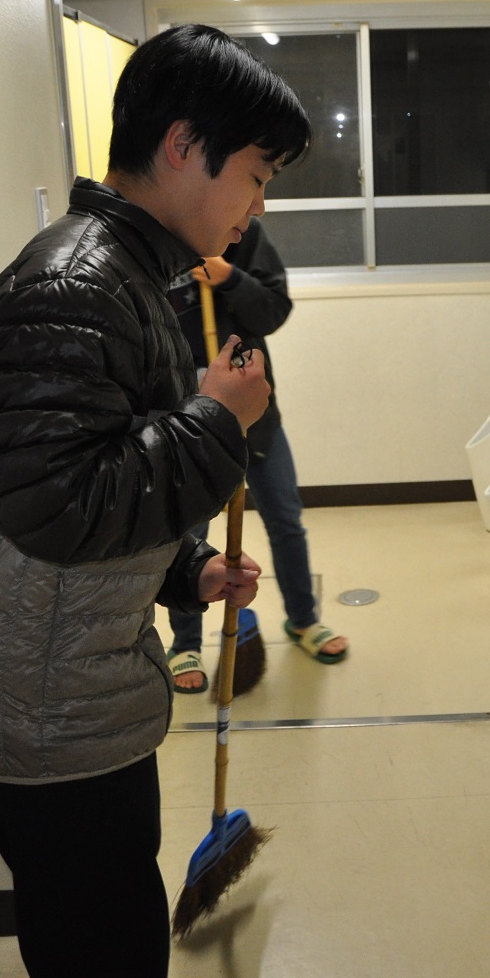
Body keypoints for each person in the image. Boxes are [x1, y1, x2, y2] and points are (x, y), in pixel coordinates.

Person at [0, 25, 310, 978]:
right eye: (256, 175)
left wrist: (185, 571)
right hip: (44, 709)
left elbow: (91, 477)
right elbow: (60, 504)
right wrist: (219, 418)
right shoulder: (75, 287)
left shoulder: (130, 277)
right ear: (183, 146)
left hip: (67, 687)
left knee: (105, 959)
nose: (259, 204)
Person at [162, 219, 350, 694]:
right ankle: (185, 643)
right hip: (184, 417)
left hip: (252, 411)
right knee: (190, 532)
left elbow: (272, 310)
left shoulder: (239, 234)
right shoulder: (156, 242)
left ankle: (303, 619)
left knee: (285, 518)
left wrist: (229, 277)